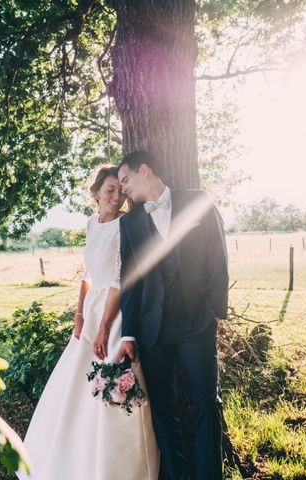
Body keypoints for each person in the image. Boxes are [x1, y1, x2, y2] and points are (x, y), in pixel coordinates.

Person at [18, 166, 159, 480]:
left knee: (110, 375)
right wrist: (80, 314)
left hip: (115, 308)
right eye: (109, 190)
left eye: (119, 190)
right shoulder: (91, 224)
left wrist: (105, 324)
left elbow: (119, 279)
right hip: (93, 306)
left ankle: (115, 466)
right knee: (76, 387)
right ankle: (74, 458)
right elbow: (88, 275)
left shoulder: (126, 224)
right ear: (95, 193)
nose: (116, 196)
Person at [116, 150, 229, 480]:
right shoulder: (130, 222)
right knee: (164, 413)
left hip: (197, 325)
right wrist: (129, 333)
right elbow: (130, 280)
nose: (123, 190)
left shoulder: (198, 201)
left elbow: (218, 257)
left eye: (125, 180)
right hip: (153, 332)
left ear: (145, 170)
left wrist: (215, 311)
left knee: (207, 405)